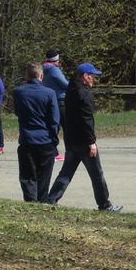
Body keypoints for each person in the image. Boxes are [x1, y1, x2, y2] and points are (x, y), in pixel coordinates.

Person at [47, 62, 120, 212]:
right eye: (92, 76)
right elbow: (86, 120)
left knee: (66, 172)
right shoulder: (84, 94)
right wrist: (91, 142)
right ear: (85, 76)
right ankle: (104, 205)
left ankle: (51, 199)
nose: (93, 79)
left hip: (72, 140)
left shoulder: (70, 90)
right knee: (97, 174)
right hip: (84, 142)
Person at [13, 61, 60, 203]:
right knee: (44, 176)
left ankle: (30, 202)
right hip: (45, 140)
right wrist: (54, 138)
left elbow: (17, 112)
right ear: (41, 76)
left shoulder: (18, 92)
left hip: (27, 139)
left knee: (28, 176)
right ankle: (42, 201)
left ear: (27, 76)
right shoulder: (49, 93)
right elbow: (54, 119)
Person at [42, 49, 69, 160]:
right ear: (56, 60)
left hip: (47, 100)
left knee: (53, 127)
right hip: (59, 101)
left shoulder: (42, 69)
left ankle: (52, 151)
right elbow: (65, 84)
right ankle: (70, 151)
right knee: (66, 127)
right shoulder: (54, 70)